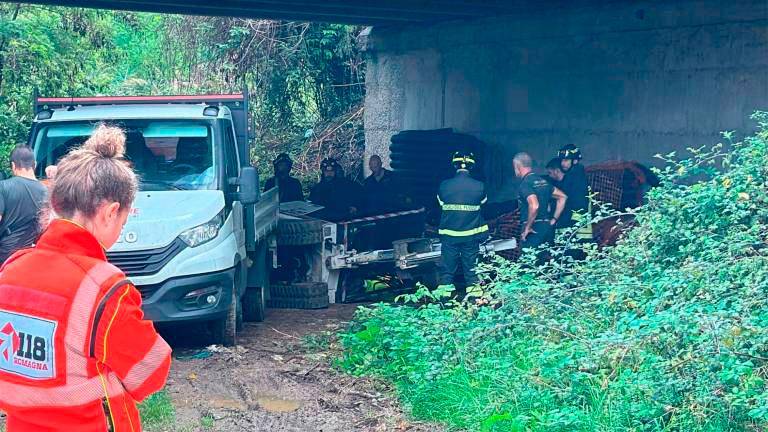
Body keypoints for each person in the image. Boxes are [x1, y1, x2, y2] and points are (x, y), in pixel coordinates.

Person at [0, 125, 171, 431]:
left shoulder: (10, 271)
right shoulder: (104, 290)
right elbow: (150, 372)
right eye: (125, 216)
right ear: (110, 212)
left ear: (54, 204)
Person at [437, 151, 488, 287]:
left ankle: (444, 301)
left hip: (449, 236)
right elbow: (482, 204)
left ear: (455, 165)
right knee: (472, 271)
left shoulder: (444, 185)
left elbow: (441, 205)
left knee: (447, 271)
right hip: (470, 236)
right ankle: (475, 300)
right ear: (472, 166)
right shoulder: (480, 186)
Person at [0, 145, 48, 263]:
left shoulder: (3, 187)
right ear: (34, 164)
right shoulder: (47, 192)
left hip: (6, 255)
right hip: (32, 255)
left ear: (13, 165)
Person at [513, 152, 567, 249]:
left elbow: (534, 206)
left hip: (533, 229)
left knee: (528, 262)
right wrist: (554, 219)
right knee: (545, 261)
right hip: (547, 227)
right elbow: (562, 197)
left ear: (517, 166)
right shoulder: (543, 182)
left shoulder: (525, 184)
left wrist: (528, 227)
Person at [308, 157, 362, 221]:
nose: (329, 173)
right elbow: (311, 206)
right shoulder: (316, 189)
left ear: (335, 171)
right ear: (322, 171)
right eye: (326, 171)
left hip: (344, 220)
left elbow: (361, 196)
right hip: (323, 221)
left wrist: (355, 206)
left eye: (332, 171)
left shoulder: (347, 185)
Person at [557, 144, 590, 230]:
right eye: (561, 160)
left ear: (575, 161)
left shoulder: (575, 175)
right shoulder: (573, 174)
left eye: (566, 160)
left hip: (574, 217)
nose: (562, 163)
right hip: (575, 217)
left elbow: (577, 201)